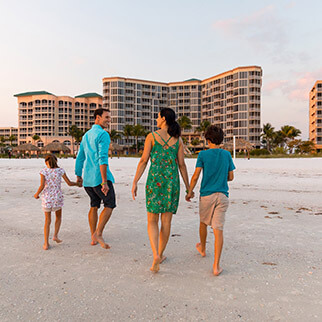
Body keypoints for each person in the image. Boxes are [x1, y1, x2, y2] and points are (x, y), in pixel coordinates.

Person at [132, 108, 191, 272]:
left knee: (152, 220)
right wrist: (188, 187)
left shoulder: (151, 137)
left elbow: (144, 160)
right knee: (166, 222)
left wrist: (135, 181)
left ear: (163, 118)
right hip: (171, 182)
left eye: (157, 117)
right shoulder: (177, 140)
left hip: (155, 180)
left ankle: (156, 254)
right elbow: (182, 165)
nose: (156, 120)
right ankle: (160, 253)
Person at [186, 125, 235, 276]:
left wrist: (189, 191)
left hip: (207, 195)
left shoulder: (203, 155)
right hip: (222, 195)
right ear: (221, 140)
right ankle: (216, 265)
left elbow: (195, 176)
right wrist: (222, 178)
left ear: (207, 140)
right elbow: (231, 177)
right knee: (218, 229)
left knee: (203, 222)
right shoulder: (227, 155)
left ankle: (202, 247)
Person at [75, 108, 116, 249]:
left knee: (94, 205)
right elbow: (102, 158)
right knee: (109, 204)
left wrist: (78, 175)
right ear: (97, 117)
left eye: (109, 118)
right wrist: (104, 181)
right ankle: (98, 233)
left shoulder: (86, 135)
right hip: (99, 178)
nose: (109, 120)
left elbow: (80, 156)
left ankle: (93, 236)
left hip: (88, 178)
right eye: (106, 117)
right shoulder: (103, 135)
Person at [34, 154, 77, 250]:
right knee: (58, 217)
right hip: (57, 197)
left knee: (47, 220)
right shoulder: (60, 171)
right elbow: (69, 183)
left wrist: (36, 194)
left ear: (46, 162)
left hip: (47, 198)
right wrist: (77, 184)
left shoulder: (43, 171)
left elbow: (42, 185)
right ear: (56, 161)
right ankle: (55, 236)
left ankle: (46, 243)